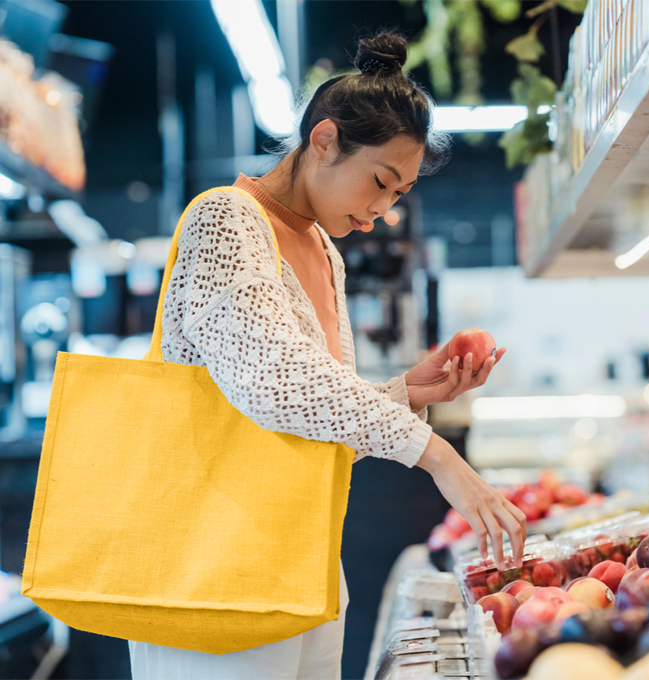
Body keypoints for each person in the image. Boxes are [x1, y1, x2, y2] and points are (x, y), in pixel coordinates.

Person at [128, 28, 525, 680]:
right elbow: (274, 383)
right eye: (380, 181)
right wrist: (438, 456)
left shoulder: (325, 251)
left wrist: (408, 393)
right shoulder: (226, 220)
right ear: (324, 140)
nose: (382, 209)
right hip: (212, 576)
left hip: (306, 566)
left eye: (399, 194)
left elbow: (311, 420)